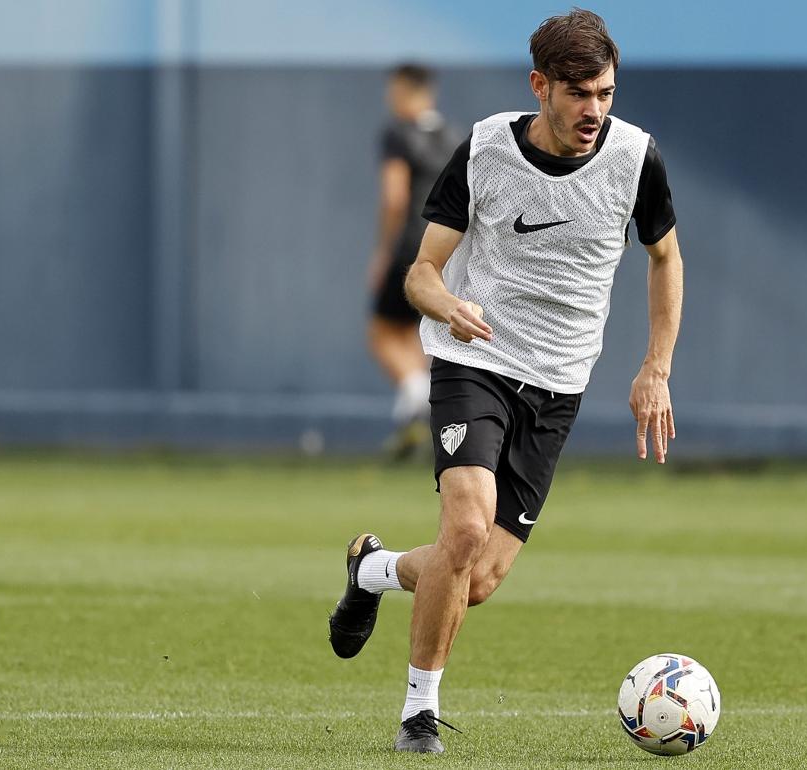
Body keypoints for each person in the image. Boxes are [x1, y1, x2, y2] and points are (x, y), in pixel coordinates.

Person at [329, 9, 682, 754]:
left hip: (558, 383)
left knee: (477, 576)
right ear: (540, 86)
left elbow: (665, 258)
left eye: (606, 95)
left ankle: (373, 571)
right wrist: (447, 307)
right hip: (475, 362)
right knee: (462, 528)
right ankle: (418, 715)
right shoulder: (487, 147)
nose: (594, 111)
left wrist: (656, 366)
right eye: (579, 94)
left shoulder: (636, 158)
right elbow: (421, 271)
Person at [367, 63, 457, 459]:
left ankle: (417, 396)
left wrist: (384, 251)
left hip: (409, 248)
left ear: (405, 91)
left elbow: (395, 198)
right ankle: (414, 410)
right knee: (418, 334)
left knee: (382, 332)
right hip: (445, 246)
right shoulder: (454, 138)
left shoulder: (397, 134)